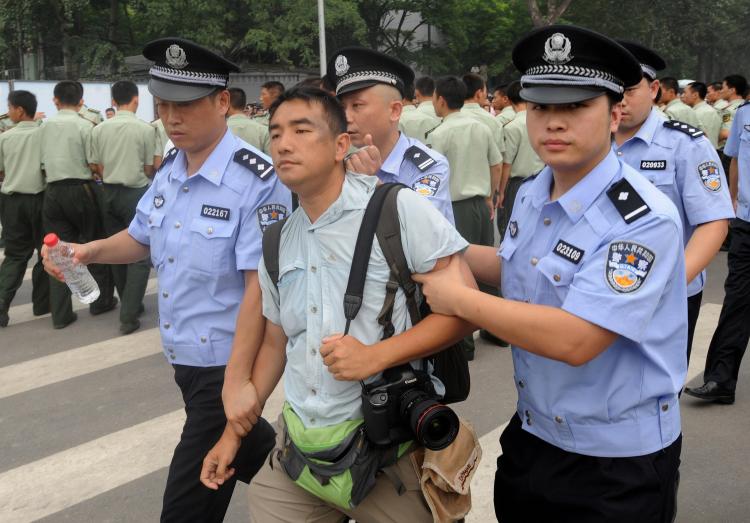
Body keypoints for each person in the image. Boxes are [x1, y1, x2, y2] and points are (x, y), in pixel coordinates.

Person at [414, 26, 687, 522]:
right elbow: (514, 269)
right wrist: (424, 240)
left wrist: (458, 299)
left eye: (575, 107)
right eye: (541, 108)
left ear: (615, 113)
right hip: (535, 435)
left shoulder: (644, 219)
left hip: (614, 460)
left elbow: (576, 340)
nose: (553, 124)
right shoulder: (540, 188)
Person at [201, 84, 475, 522]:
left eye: (302, 130)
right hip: (299, 457)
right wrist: (232, 435)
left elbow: (464, 311)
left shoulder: (396, 209)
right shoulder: (277, 240)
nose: (284, 144)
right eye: (275, 133)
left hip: (389, 453)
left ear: (340, 145)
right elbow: (276, 342)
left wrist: (375, 356)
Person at [43, 38, 289, 522]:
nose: (172, 117)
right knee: (258, 449)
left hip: (223, 364)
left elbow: (259, 291)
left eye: (186, 105)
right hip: (184, 359)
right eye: (163, 104)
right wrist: (87, 251)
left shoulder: (256, 180)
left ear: (222, 102)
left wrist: (240, 384)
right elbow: (141, 239)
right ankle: (319, 493)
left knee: (184, 508)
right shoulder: (172, 168)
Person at [614, 41, 733, 366]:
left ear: (653, 89)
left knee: (656, 394)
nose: (620, 99)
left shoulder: (684, 145)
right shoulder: (592, 143)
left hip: (668, 297)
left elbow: (714, 222)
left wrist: (669, 285)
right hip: (601, 293)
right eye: (611, 88)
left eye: (629, 89)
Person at [330, 47, 455, 223]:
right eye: (342, 107)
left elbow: (423, 231)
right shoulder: (342, 163)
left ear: (395, 111)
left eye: (357, 105)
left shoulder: (427, 167)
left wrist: (373, 186)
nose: (346, 117)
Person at [428, 75, 503, 358]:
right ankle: (496, 329)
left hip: (456, 207)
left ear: (441, 100)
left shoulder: (439, 134)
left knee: (459, 269)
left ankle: (465, 345)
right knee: (486, 272)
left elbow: (433, 177)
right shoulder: (482, 126)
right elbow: (496, 164)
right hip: (481, 204)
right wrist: (491, 196)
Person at [685, 98, 750, 405]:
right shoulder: (744, 113)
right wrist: (734, 202)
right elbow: (735, 158)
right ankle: (720, 379)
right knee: (738, 300)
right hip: (748, 222)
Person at [40, 80, 116, 329]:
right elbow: (94, 164)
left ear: (55, 100)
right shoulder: (87, 126)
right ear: (81, 101)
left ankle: (61, 314)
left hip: (53, 191)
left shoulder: (44, 127)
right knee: (94, 243)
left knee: (57, 252)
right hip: (82, 189)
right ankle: (100, 301)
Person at [90, 80, 157, 335]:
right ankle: (129, 314)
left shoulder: (99, 129)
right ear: (136, 100)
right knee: (139, 254)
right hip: (135, 193)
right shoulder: (145, 129)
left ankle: (130, 302)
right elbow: (150, 167)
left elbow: (96, 166)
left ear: (114, 102)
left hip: (107, 192)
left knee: (115, 250)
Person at [0, 90, 49, 327]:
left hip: (12, 202)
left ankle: (1, 306)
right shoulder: (44, 135)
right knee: (44, 252)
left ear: (20, 110)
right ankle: (42, 304)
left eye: (9, 108)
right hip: (40, 199)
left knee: (15, 255)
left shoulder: (5, 138)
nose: (8, 113)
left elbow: (1, 171)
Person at [497, 80, 544, 239]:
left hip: (517, 185)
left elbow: (506, 163)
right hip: (541, 180)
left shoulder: (512, 127)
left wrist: (501, 191)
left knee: (511, 227)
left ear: (509, 101)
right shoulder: (542, 122)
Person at [461, 73, 506, 159]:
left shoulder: (446, 119)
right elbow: (497, 160)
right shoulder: (493, 122)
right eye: (485, 91)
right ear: (479, 93)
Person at [226, 87, 270, 153]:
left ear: (226, 103)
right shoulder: (263, 130)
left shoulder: (216, 132)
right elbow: (271, 160)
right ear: (244, 106)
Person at [683, 81, 722, 148]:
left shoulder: (696, 114)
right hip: (713, 153)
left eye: (685, 93)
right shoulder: (712, 110)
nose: (683, 95)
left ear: (695, 95)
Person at [717, 74, 747, 150]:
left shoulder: (729, 110)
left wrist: (713, 139)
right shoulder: (745, 106)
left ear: (732, 90)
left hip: (728, 151)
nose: (720, 91)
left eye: (723, 88)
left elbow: (726, 133)